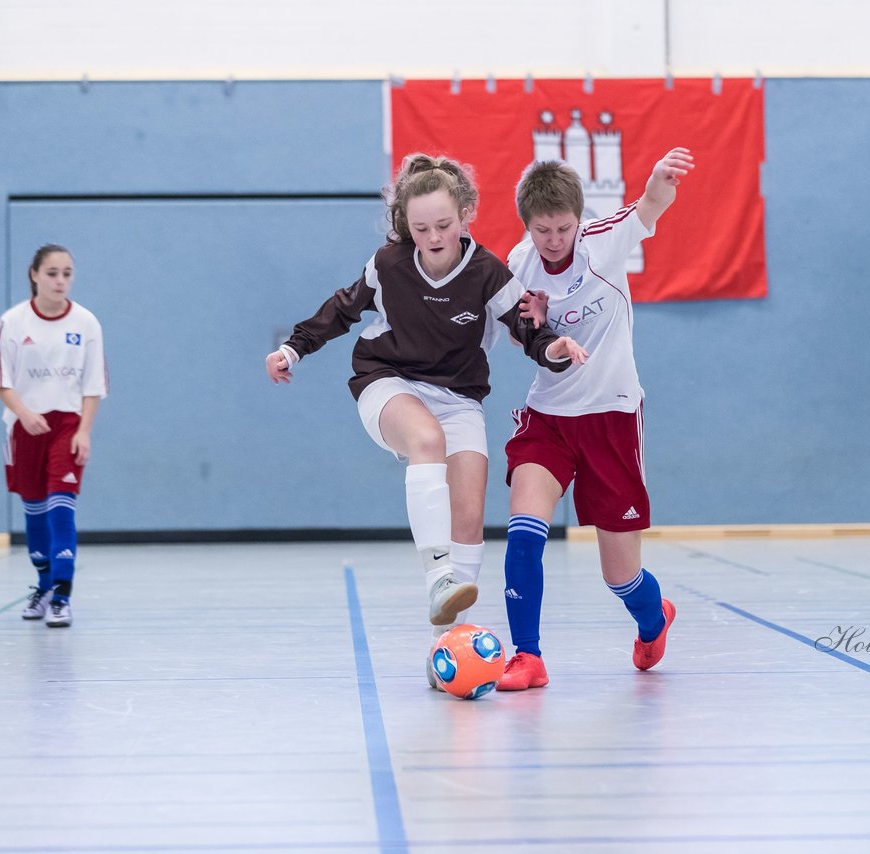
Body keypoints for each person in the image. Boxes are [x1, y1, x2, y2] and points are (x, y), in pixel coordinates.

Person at [264, 153, 586, 686]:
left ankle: (447, 650)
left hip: (458, 396)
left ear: (465, 216)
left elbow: (528, 332)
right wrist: (293, 350)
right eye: (420, 228)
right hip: (387, 382)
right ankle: (437, 575)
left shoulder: (487, 273)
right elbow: (341, 310)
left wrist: (554, 348)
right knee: (426, 441)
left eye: (442, 225)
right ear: (404, 227)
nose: (433, 236)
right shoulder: (389, 266)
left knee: (468, 516)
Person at [497, 147, 695, 690]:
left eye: (563, 227)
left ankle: (655, 620)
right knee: (523, 533)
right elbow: (518, 334)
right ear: (528, 227)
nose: (554, 239)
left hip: (610, 416)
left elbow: (651, 207)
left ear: (578, 221)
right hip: (549, 416)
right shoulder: (519, 264)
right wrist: (532, 330)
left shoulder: (604, 242)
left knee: (620, 574)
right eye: (543, 230)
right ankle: (528, 656)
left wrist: (659, 180)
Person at [0, 244, 109, 628]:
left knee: (62, 508)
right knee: (36, 512)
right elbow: (1, 383)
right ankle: (43, 585)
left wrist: (85, 431)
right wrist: (25, 414)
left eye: (67, 273)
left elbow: (93, 385)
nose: (61, 280)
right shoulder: (12, 322)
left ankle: (62, 595)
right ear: (34, 275)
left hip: (68, 426)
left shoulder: (87, 323)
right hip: (25, 428)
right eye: (53, 273)